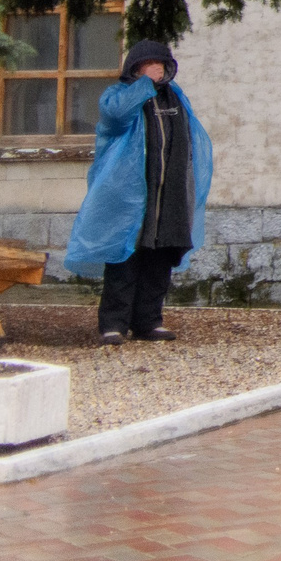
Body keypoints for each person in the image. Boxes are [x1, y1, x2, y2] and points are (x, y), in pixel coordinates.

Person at [64, 40, 213, 345]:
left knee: (159, 259)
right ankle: (113, 324)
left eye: (160, 64)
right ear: (134, 67)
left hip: (166, 197)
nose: (156, 70)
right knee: (124, 260)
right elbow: (116, 118)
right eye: (148, 65)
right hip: (128, 199)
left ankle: (149, 321)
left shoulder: (174, 97)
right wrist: (143, 84)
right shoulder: (118, 96)